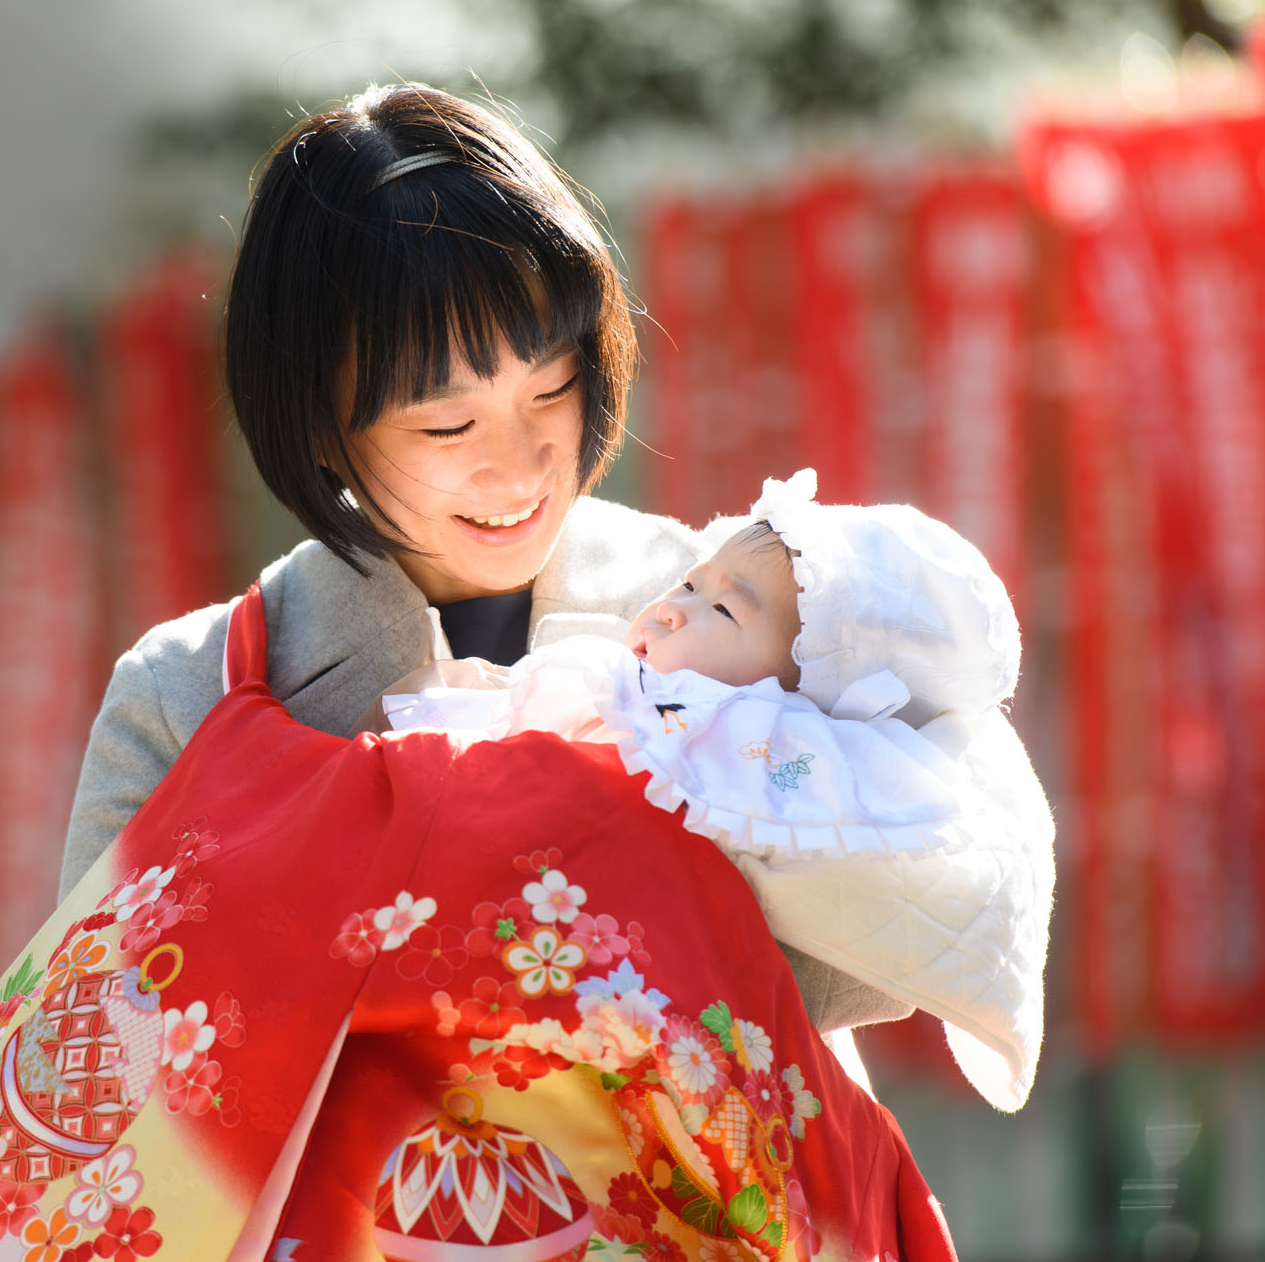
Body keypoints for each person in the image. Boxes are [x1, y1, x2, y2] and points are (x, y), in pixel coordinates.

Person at [57, 81, 917, 1030]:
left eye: (552, 389)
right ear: (320, 427)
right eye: (448, 423)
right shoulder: (187, 699)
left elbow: (909, 938)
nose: (519, 466)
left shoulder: (738, 606)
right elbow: (91, 1057)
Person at [379, 469, 1055, 1112]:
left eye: (724, 610)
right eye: (691, 582)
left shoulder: (751, 755)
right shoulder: (631, 689)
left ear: (802, 698)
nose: (674, 608)